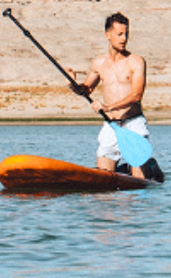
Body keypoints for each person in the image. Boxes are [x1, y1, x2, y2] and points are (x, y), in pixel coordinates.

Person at [68, 12, 161, 181]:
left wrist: (108, 107)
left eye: (126, 34)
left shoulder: (136, 61)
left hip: (133, 124)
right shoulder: (99, 63)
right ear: (107, 35)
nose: (124, 38)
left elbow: (136, 95)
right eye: (119, 34)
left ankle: (149, 169)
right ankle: (123, 171)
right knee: (103, 180)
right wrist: (74, 85)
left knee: (139, 182)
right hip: (111, 126)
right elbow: (86, 89)